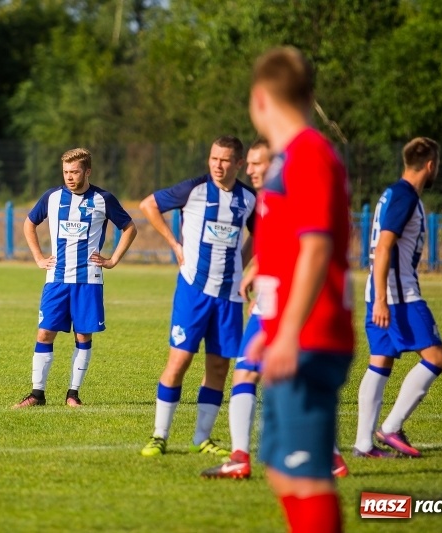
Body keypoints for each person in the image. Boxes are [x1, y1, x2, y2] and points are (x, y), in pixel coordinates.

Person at [245, 47, 354, 533]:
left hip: (310, 339)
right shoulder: (288, 160)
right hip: (290, 335)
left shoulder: (309, 154)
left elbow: (316, 249)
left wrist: (287, 332)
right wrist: (271, 329)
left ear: (260, 98)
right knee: (281, 471)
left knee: (306, 476)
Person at [200, 139, 350, 479]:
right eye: (249, 164)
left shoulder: (287, 196)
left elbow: (305, 250)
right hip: (271, 299)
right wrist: (257, 275)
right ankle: (329, 457)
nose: (250, 170)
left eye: (257, 163)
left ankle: (244, 457)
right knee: (267, 375)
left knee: (256, 373)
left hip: (286, 302)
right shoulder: (267, 199)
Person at [139, 135, 256, 457]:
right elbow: (148, 205)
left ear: (238, 164)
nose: (218, 165)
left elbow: (262, 235)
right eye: (213, 158)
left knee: (219, 367)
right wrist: (174, 245)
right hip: (193, 290)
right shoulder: (194, 189)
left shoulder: (249, 198)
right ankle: (159, 435)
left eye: (225, 160)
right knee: (179, 361)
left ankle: (202, 438)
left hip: (229, 296)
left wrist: (242, 265)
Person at [13, 148, 137, 408]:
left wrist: (113, 259)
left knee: (83, 336)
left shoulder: (103, 199)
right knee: (45, 333)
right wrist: (38, 257)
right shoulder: (52, 197)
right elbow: (28, 223)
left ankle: (73, 393)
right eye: (66, 172)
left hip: (88, 280)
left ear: (87, 171)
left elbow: (129, 227)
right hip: (56, 279)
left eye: (75, 172)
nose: (69, 177)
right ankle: (37, 394)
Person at [353, 137, 442, 459]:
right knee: (436, 357)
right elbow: (383, 247)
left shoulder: (392, 192)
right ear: (431, 165)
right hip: (398, 296)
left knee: (380, 361)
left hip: (381, 293)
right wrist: (382, 298)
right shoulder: (405, 196)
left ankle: (364, 444)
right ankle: (391, 427)